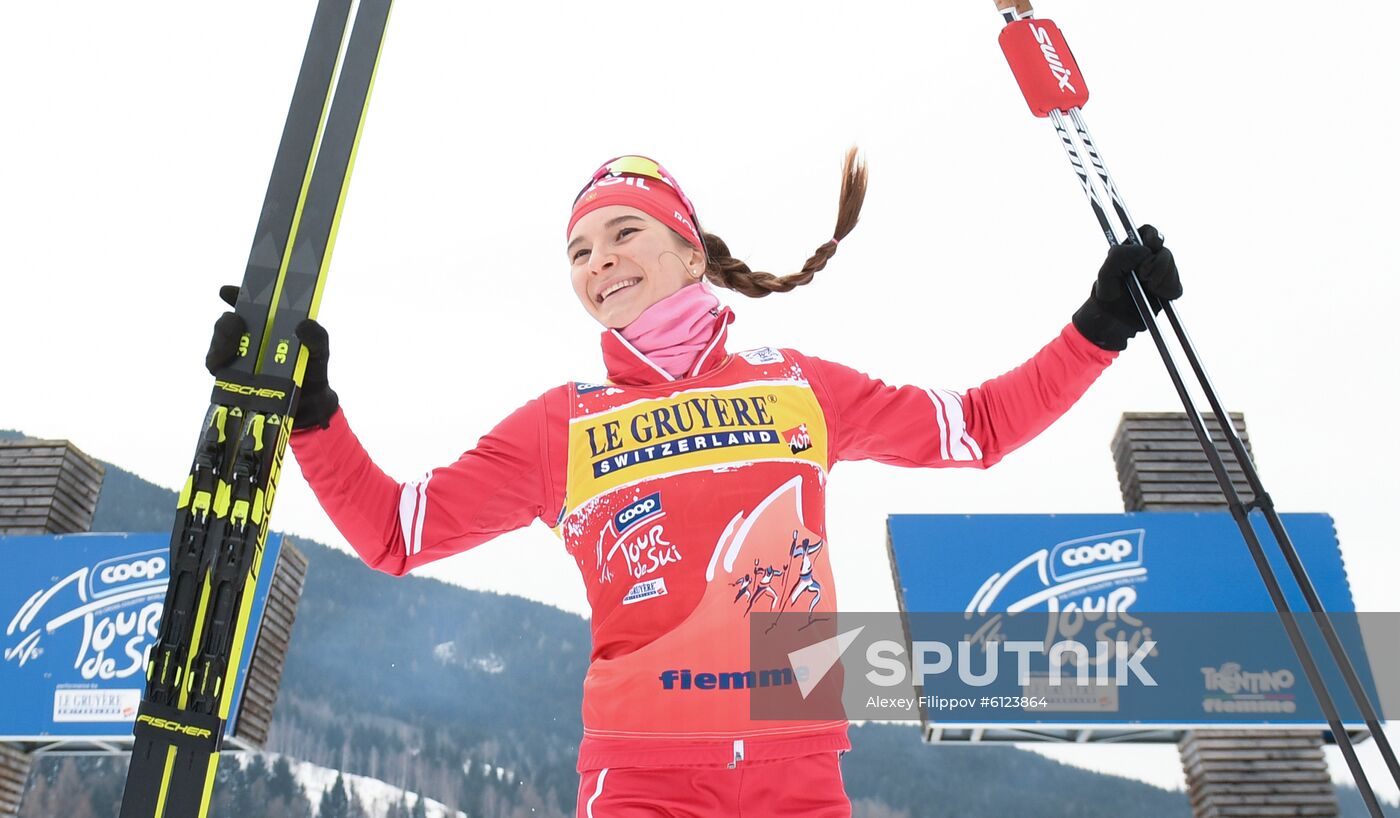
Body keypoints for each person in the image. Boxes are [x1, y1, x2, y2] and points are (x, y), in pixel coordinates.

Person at [206, 150, 1181, 817]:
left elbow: (977, 426)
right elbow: (395, 528)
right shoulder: (562, 423)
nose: (598, 263)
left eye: (622, 234)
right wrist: (310, 412)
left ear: (686, 248)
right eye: (580, 252)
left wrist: (1097, 324)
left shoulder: (795, 387)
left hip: (796, 773)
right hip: (642, 778)